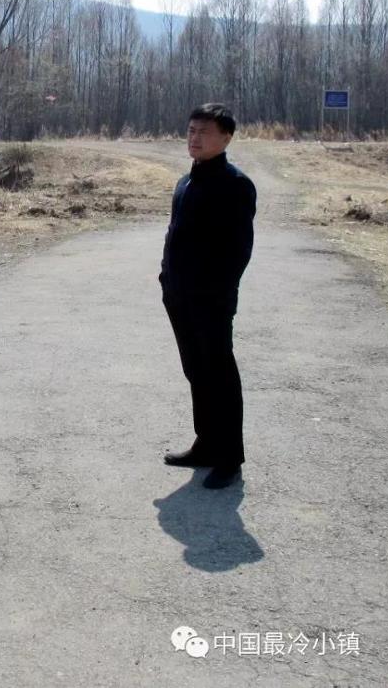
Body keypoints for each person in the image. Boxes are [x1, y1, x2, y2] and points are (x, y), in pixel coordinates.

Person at [160, 103, 257, 489]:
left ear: (226, 138)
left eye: (204, 132)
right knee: (196, 372)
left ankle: (229, 458)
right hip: (179, 297)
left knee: (220, 376)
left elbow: (238, 251)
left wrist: (215, 295)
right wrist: (166, 280)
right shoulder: (186, 181)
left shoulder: (236, 185)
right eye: (191, 131)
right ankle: (206, 444)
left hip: (211, 302)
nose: (194, 138)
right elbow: (174, 236)